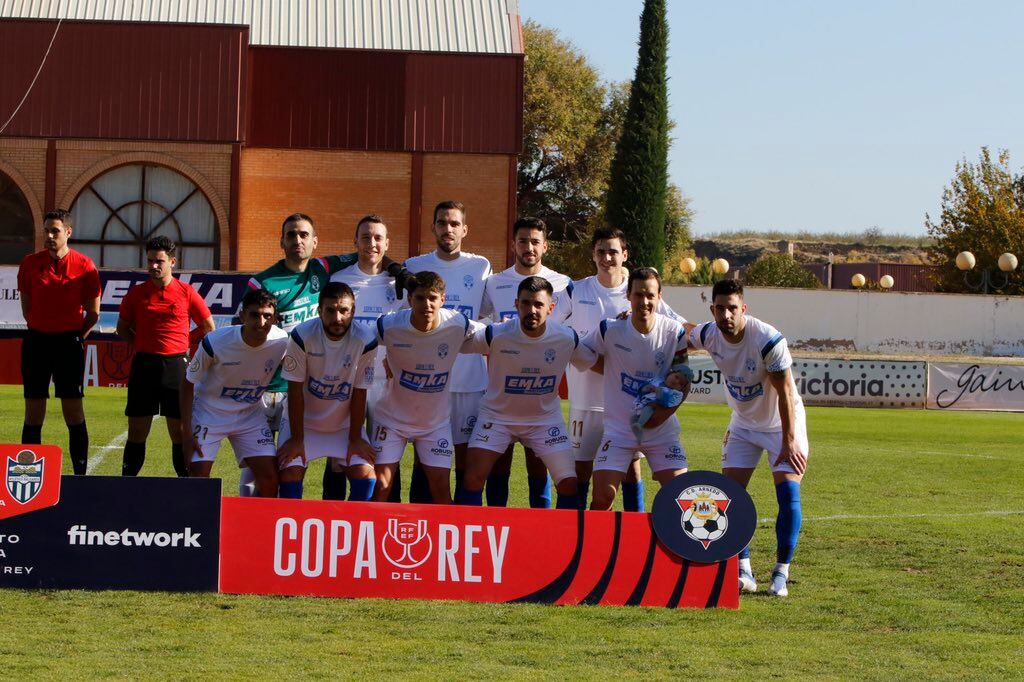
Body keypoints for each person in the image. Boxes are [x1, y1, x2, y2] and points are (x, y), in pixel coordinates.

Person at [239, 213, 408, 500]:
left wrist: (399, 270)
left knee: (370, 460)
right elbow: (245, 328)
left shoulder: (322, 268)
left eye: (304, 235)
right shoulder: (262, 282)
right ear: (281, 240)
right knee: (260, 471)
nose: (297, 240)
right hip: (273, 384)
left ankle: (348, 521)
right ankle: (261, 530)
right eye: (291, 235)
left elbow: (371, 252)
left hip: (341, 383)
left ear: (315, 242)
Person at [687, 279, 808, 598]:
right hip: (743, 424)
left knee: (788, 493)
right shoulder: (709, 333)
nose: (726, 314)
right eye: (720, 308)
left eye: (732, 308)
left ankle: (781, 574)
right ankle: (744, 570)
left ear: (744, 309)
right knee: (731, 496)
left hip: (781, 422)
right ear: (712, 309)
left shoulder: (767, 339)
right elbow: (681, 332)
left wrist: (789, 441)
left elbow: (785, 392)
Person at [565, 227, 686, 510]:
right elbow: (574, 345)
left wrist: (717, 331)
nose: (607, 257)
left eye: (614, 251)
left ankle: (649, 543)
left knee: (665, 486)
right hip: (596, 409)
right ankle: (583, 540)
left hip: (656, 425)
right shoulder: (599, 315)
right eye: (601, 252)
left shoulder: (672, 330)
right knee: (590, 481)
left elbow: (685, 374)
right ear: (629, 297)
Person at [459, 276, 596, 509]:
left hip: (543, 420)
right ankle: (471, 539)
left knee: (569, 484)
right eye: (526, 303)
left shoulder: (565, 337)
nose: (532, 310)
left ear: (551, 308)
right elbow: (458, 343)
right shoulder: (497, 334)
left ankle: (561, 541)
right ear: (516, 305)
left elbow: (593, 361)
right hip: (497, 418)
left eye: (539, 305)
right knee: (472, 478)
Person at [349, 271, 477, 504]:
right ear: (409, 300)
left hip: (434, 425)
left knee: (440, 490)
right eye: (419, 298)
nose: (426, 304)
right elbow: (358, 340)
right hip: (392, 421)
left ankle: (445, 540)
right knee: (381, 487)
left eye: (432, 298)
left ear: (442, 299)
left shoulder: (457, 323)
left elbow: (494, 336)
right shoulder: (390, 324)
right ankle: (371, 538)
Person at [479, 217, 572, 508]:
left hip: (540, 396)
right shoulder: (494, 283)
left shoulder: (564, 284)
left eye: (535, 241)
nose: (528, 247)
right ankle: (498, 527)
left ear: (545, 245)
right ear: (513, 244)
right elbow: (478, 323)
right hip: (503, 393)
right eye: (523, 241)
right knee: (499, 465)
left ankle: (539, 531)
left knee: (538, 465)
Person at [404, 201, 491, 503]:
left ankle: (464, 526)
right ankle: (420, 522)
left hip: (470, 380)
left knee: (466, 458)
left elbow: (493, 315)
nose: (448, 229)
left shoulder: (480, 267)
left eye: (454, 224)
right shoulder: (413, 266)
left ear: (464, 229)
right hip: (427, 383)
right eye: (442, 223)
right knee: (425, 458)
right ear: (433, 228)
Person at [116, 236, 214, 477]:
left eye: (159, 261)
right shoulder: (137, 294)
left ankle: (184, 486)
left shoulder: (186, 292)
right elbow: (122, 328)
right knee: (137, 431)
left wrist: (186, 343)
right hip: (144, 366)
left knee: (179, 432)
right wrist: (140, 343)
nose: (153, 266)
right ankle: (125, 486)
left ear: (172, 261)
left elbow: (208, 327)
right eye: (149, 261)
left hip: (176, 366)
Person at [275, 282, 378, 500]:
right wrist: (297, 439)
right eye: (330, 310)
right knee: (289, 473)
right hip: (303, 424)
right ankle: (294, 529)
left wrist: (356, 438)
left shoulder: (366, 340)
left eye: (344, 311)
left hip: (343, 426)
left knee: (367, 477)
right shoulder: (302, 336)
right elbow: (294, 391)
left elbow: (360, 393)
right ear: (319, 310)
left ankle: (351, 529)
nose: (337, 318)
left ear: (353, 312)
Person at [17, 209, 100, 475]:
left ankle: (80, 475)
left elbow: (94, 313)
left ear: (68, 232)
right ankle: (31, 476)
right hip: (36, 343)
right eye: (47, 231)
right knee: (33, 412)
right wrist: (42, 328)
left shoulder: (85, 266)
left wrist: (75, 336)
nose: (50, 236)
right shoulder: (30, 264)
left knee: (73, 412)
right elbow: (26, 308)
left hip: (68, 344)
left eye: (55, 231)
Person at [181, 288, 288, 496]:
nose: (261, 322)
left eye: (268, 316)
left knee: (270, 480)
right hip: (209, 414)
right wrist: (186, 433)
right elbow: (187, 383)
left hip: (250, 415)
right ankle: (199, 527)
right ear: (242, 316)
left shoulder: (282, 341)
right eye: (255, 315)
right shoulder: (215, 342)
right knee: (198, 478)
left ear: (275, 318)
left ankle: (259, 527)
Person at [330, 215, 402, 500]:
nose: (371, 243)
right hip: (347, 382)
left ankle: (385, 518)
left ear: (387, 244)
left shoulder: (399, 283)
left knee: (385, 457)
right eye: (365, 237)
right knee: (338, 455)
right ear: (355, 242)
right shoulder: (340, 279)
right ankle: (332, 515)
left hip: (386, 385)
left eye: (377, 238)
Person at [631, 367, 693, 441]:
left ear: (681, 388)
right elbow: (642, 389)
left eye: (680, 383)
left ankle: (639, 424)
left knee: (650, 407)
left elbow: (667, 403)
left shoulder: (675, 393)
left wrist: (659, 393)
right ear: (670, 373)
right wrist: (645, 388)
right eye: (676, 377)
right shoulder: (657, 380)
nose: (676, 381)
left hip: (652, 411)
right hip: (638, 404)